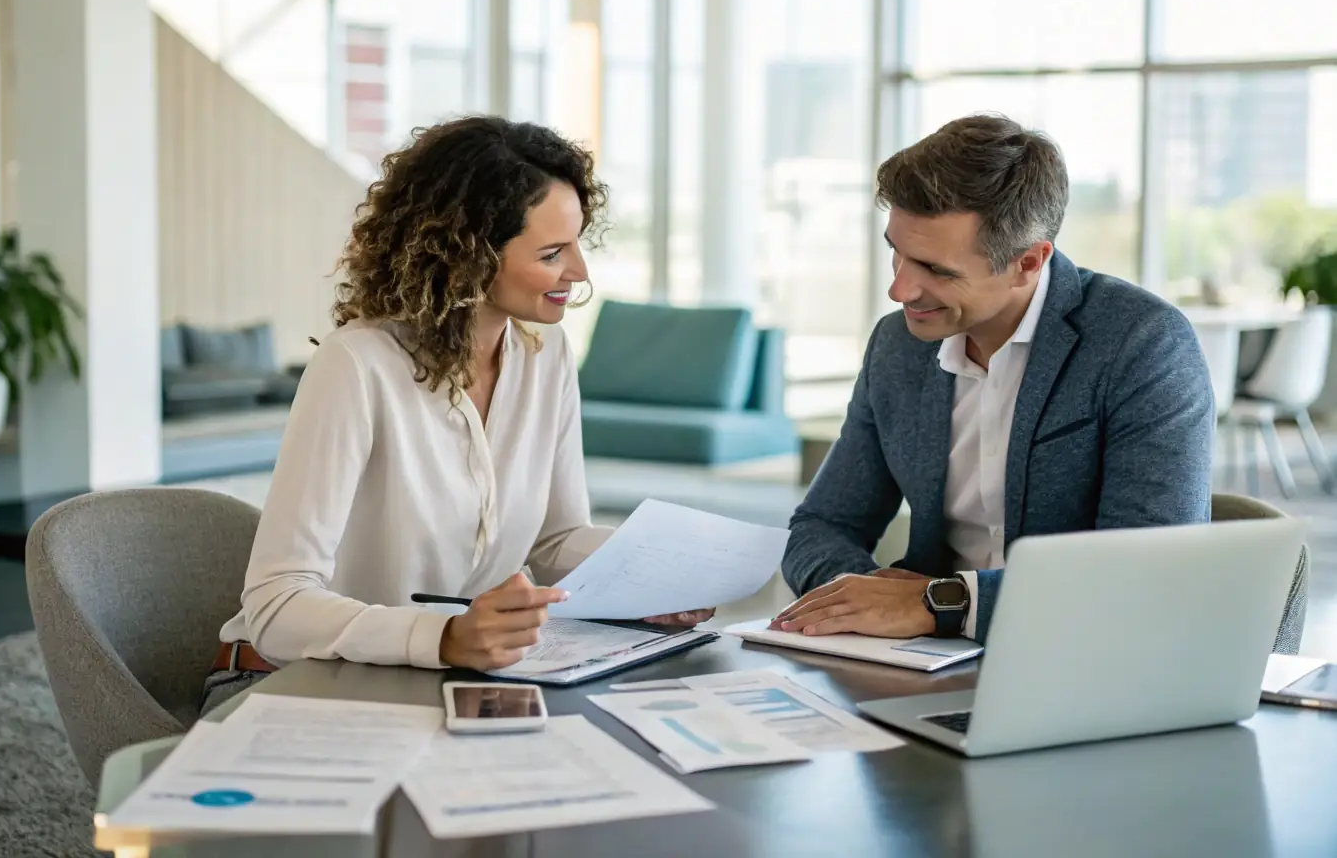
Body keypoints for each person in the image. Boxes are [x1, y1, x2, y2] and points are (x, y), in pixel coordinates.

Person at [202, 116, 710, 715]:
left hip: (436, 682)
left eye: (577, 243)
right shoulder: (356, 367)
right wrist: (445, 637)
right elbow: (276, 606)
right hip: (288, 684)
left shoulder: (546, 358)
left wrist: (653, 576)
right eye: (551, 253)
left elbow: (556, 539)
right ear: (468, 256)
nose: (579, 273)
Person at [772, 114, 1214, 643]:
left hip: (1083, 657)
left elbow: (1147, 572)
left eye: (936, 269)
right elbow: (822, 526)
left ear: (1028, 262)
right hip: (922, 661)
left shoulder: (1142, 345)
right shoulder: (897, 346)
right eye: (898, 251)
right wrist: (868, 600)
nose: (900, 290)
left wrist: (939, 603)